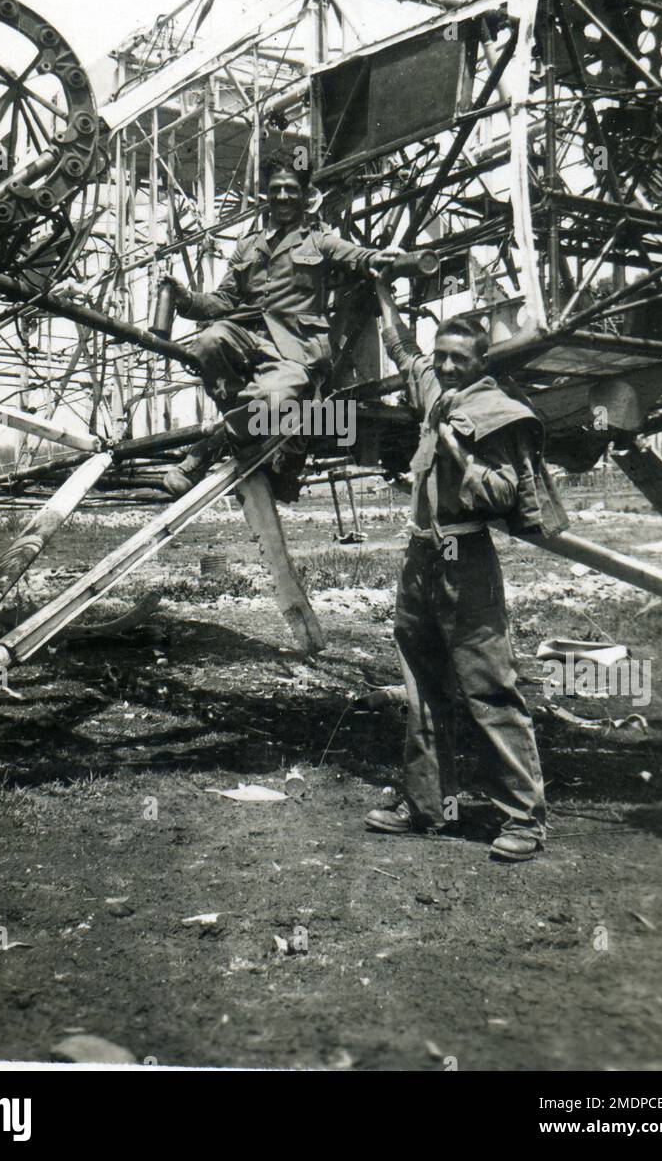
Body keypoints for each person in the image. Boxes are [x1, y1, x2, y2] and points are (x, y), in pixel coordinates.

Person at [365, 281, 547, 862]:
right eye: (440, 355)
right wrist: (380, 288)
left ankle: (523, 820)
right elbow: (400, 348)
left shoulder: (499, 411)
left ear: (481, 362)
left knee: (489, 689)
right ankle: (429, 807)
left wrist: (451, 442)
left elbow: (500, 493)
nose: (444, 365)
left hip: (464, 559)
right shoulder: (434, 386)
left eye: (457, 359)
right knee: (421, 688)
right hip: (421, 555)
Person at [158, 155, 395, 494]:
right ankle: (249, 433)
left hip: (294, 348)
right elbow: (224, 300)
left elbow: (356, 255)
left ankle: (205, 452)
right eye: (276, 189)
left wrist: (381, 258)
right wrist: (185, 298)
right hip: (246, 338)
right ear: (265, 194)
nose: (283, 197)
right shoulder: (247, 246)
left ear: (304, 194)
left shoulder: (319, 239)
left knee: (270, 402)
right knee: (208, 342)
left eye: (291, 189)